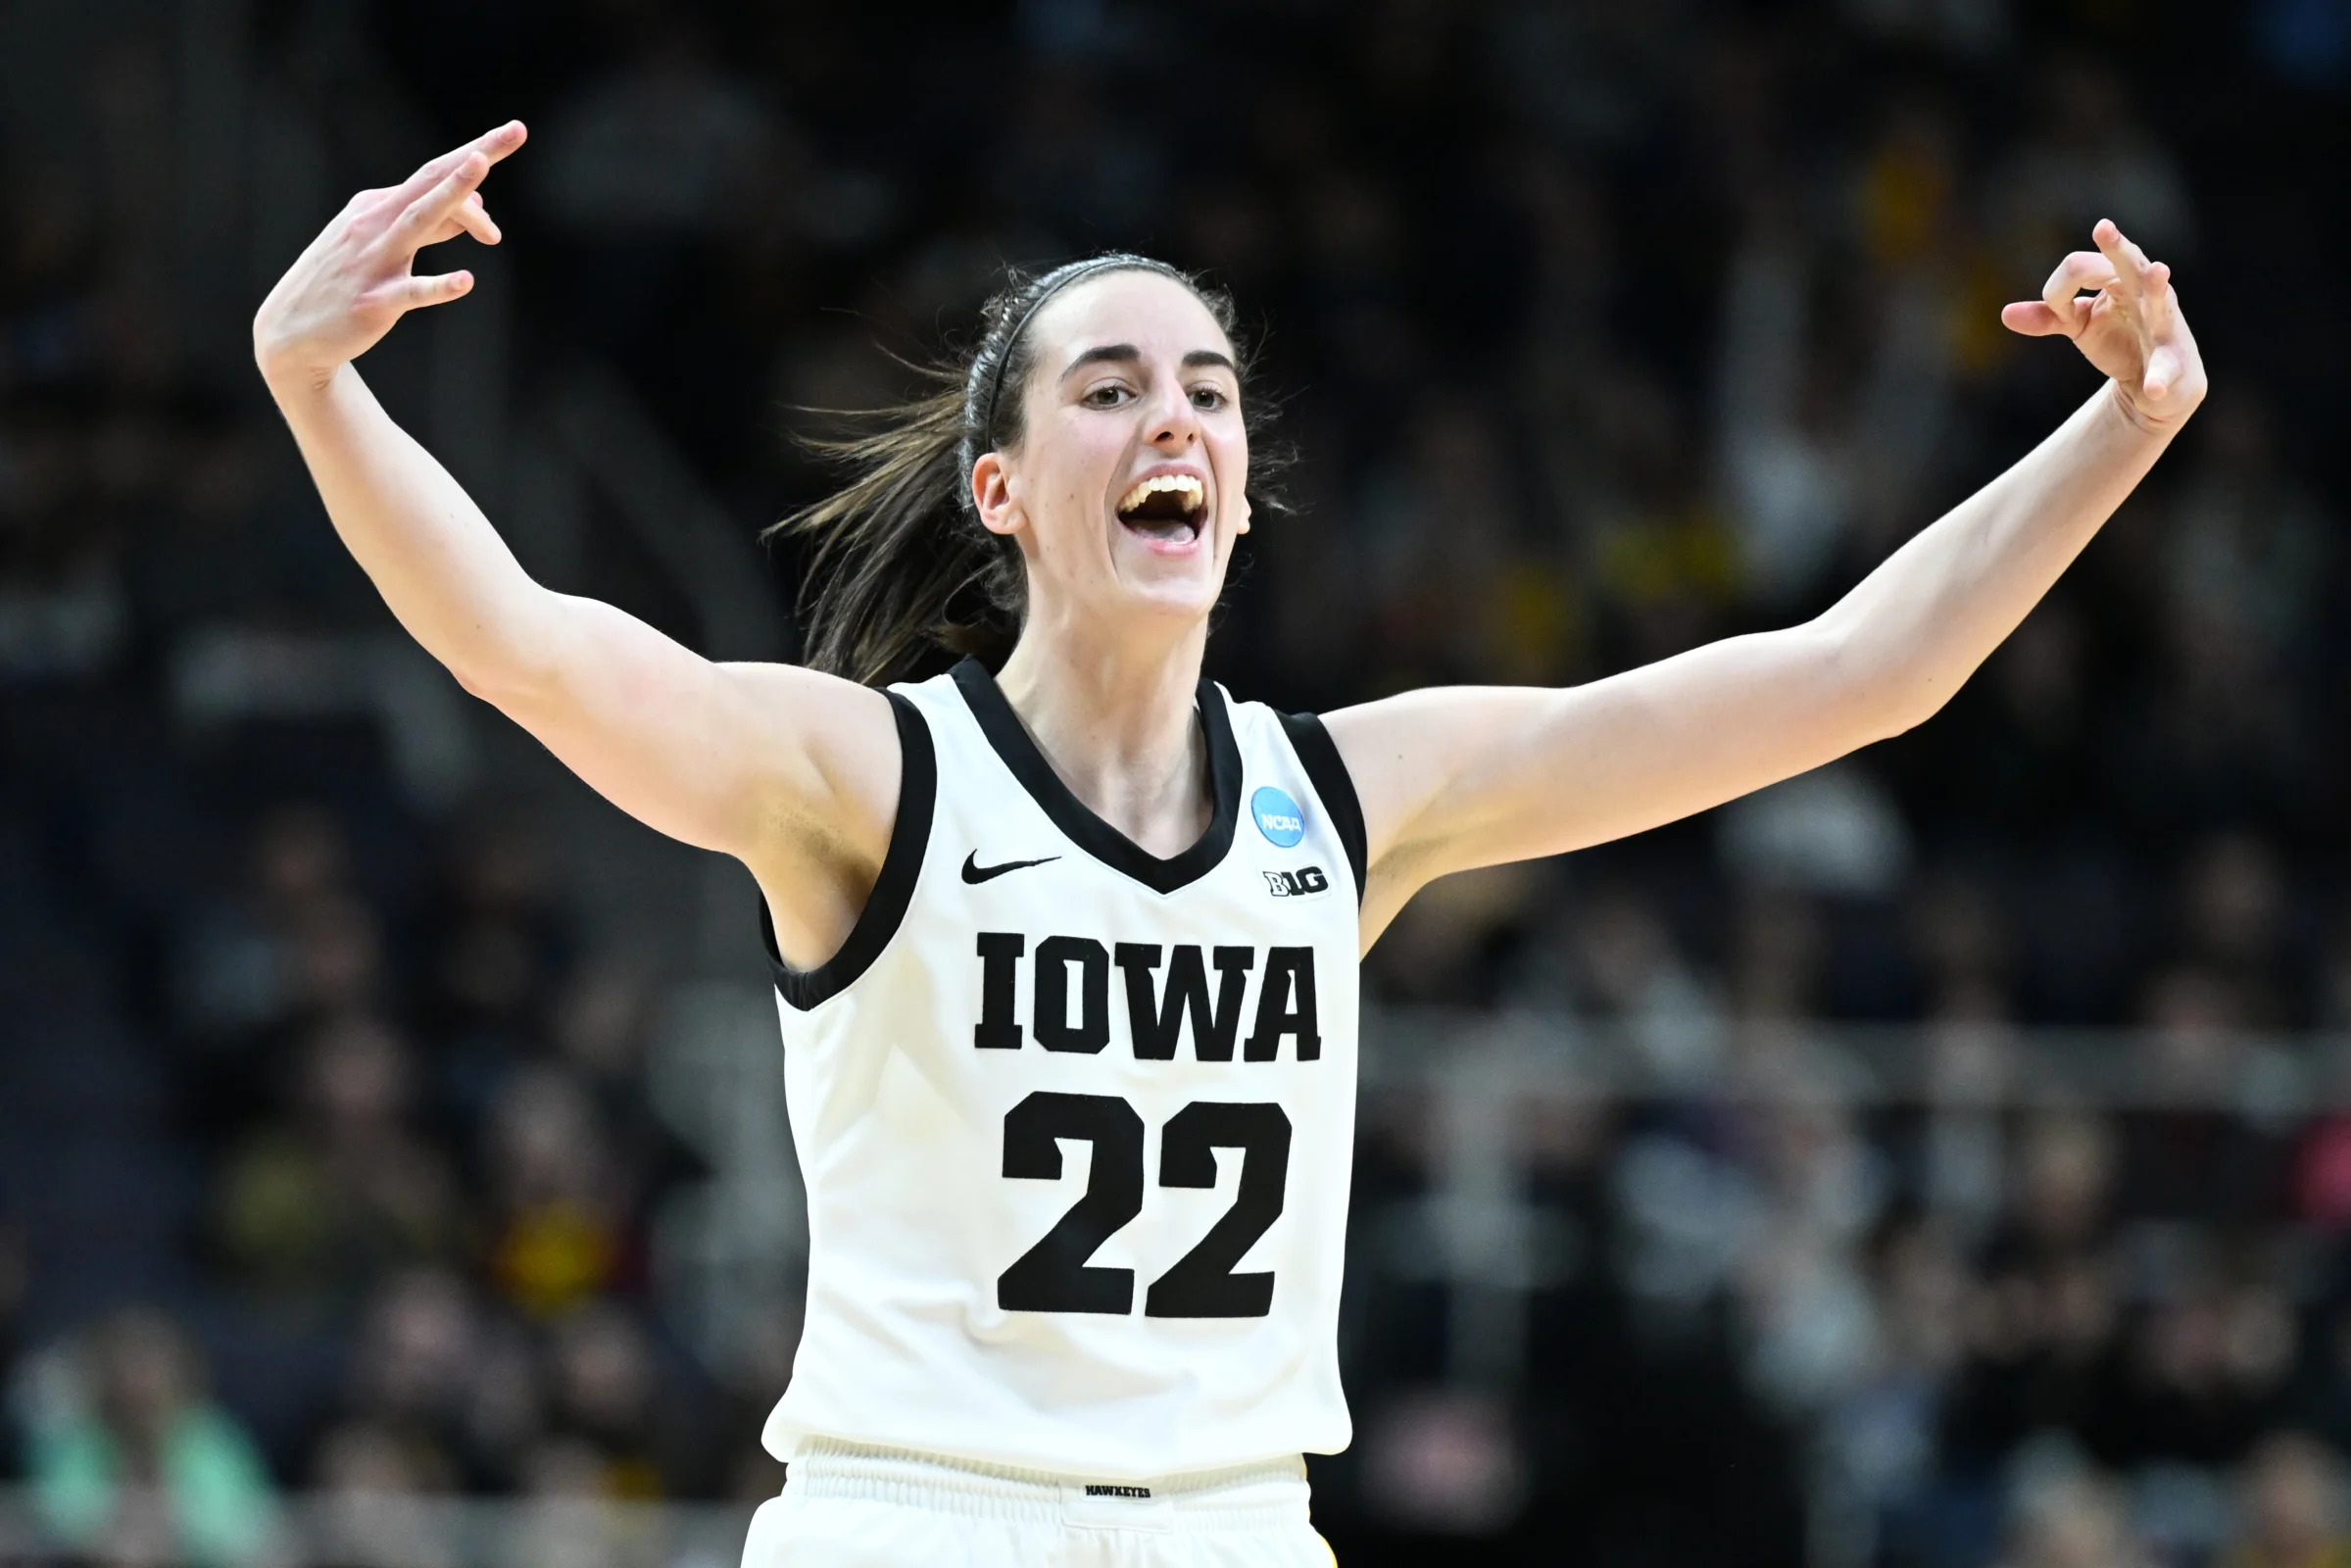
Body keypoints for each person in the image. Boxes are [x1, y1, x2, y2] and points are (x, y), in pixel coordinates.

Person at [251, 121, 2205, 1567]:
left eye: (1201, 387)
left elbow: (1853, 674)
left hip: (1236, 1525)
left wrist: (2121, 425)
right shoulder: (870, 780)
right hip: (921, 1516)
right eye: (1105, 388)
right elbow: (524, 645)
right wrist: (317, 386)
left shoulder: (1351, 797)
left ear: (1244, 486)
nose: (1169, 415)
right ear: (1004, 488)